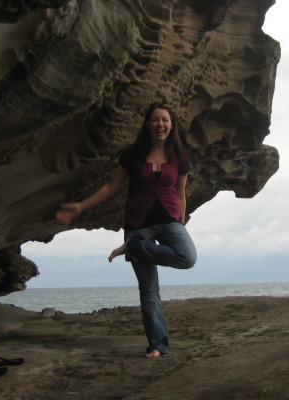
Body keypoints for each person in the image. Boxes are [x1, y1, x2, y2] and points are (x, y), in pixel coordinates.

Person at [55, 103, 197, 358]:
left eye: (165, 120)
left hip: (169, 222)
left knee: (187, 258)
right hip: (138, 225)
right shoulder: (132, 154)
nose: (160, 124)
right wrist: (80, 206)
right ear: (147, 124)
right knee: (149, 290)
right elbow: (111, 187)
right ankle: (157, 345)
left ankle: (132, 248)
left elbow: (180, 193)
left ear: (172, 124)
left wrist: (181, 223)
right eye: (155, 119)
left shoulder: (180, 156)